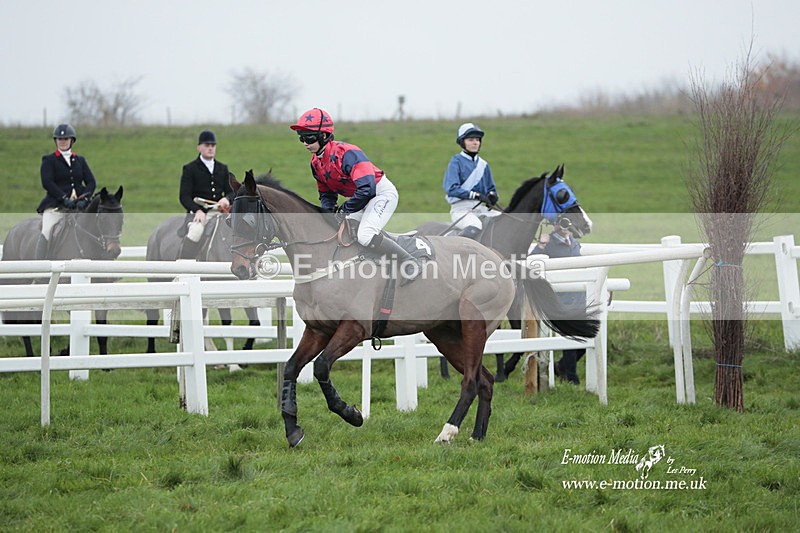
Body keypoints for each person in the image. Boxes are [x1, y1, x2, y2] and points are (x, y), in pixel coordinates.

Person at [290, 107, 419, 283]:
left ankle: (409, 261)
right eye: (301, 138)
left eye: (308, 137)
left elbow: (367, 189)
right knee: (347, 231)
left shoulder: (347, 153)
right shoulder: (315, 163)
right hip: (362, 199)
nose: (304, 143)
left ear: (324, 136)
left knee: (365, 235)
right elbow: (326, 193)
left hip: (380, 193)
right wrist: (328, 213)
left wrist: (344, 209)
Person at [533, 217, 585, 384]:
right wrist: (541, 245)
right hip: (559, 296)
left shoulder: (575, 242)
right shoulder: (549, 243)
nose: (565, 226)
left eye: (567, 222)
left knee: (586, 336)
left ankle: (561, 366)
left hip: (578, 296)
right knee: (570, 336)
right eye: (561, 223)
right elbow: (532, 262)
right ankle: (571, 377)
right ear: (555, 224)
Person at [36, 124, 97, 259]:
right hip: (56, 205)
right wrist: (63, 198)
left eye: (65, 139)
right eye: (59, 139)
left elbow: (91, 182)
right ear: (56, 141)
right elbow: (47, 182)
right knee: (46, 230)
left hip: (79, 206)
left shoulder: (80, 160)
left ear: (72, 141)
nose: (62, 141)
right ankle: (39, 270)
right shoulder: (49, 160)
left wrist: (85, 199)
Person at [178, 129, 232, 259]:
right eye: (207, 145)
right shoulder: (190, 169)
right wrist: (197, 211)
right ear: (199, 148)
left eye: (213, 146)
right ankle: (184, 267)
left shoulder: (222, 168)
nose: (210, 148)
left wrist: (226, 199)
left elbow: (231, 191)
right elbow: (184, 196)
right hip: (200, 214)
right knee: (195, 232)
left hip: (220, 211)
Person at [442, 122, 500, 239]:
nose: (475, 142)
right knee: (475, 225)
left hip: (480, 209)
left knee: (503, 220)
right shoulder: (456, 161)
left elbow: (491, 188)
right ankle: (454, 244)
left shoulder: (483, 164)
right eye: (471, 139)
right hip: (461, 209)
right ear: (462, 142)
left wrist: (492, 196)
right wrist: (476, 195)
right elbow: (451, 188)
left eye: (477, 140)